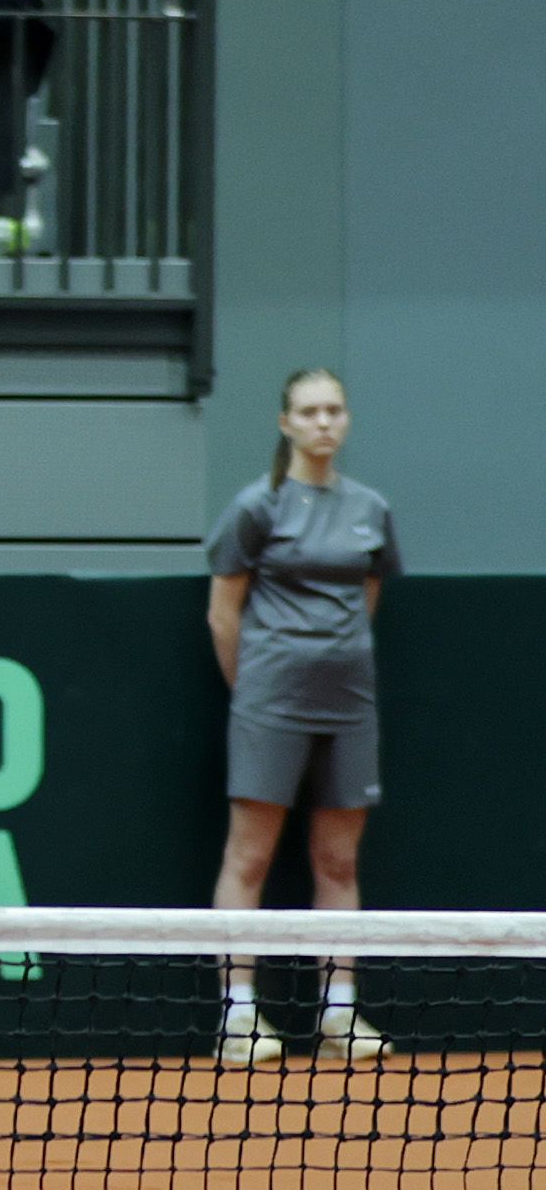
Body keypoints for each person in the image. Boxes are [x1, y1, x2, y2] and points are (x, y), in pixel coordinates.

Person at [206, 368, 399, 1068]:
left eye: (334, 410)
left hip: (350, 706)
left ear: (345, 421)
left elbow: (367, 596)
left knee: (338, 858)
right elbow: (223, 612)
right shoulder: (257, 507)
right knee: (249, 855)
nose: (323, 422)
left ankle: (340, 1016)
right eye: (309, 411)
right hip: (269, 703)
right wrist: (256, 688)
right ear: (286, 423)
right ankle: (238, 1017)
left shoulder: (371, 509)